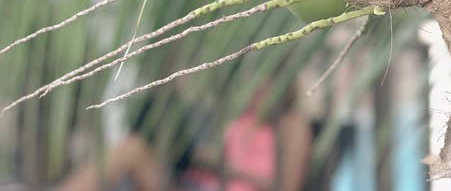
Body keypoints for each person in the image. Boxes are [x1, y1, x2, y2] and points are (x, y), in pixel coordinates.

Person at [59, 79, 311, 191]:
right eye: (257, 86)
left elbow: (286, 187)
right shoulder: (241, 119)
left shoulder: (291, 126)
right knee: (132, 147)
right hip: (196, 180)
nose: (258, 94)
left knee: (132, 151)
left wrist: (227, 168)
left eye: (266, 89)